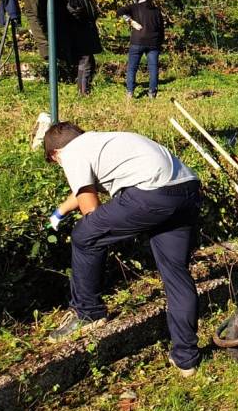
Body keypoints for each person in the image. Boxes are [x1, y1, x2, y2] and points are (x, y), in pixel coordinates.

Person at [43, 123, 202, 378]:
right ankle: (186, 359)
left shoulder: (71, 153)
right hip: (187, 188)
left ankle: (87, 312)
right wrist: (58, 213)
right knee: (175, 272)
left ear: (55, 154)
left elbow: (91, 210)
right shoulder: (104, 141)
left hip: (151, 194)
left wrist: (98, 231)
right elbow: (84, 190)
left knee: (85, 235)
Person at [118, 0, 165, 99]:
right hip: (153, 43)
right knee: (153, 68)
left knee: (132, 68)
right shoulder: (156, 11)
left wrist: (130, 21)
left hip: (137, 41)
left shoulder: (135, 7)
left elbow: (120, 11)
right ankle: (152, 92)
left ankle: (130, 92)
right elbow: (161, 29)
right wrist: (160, 43)